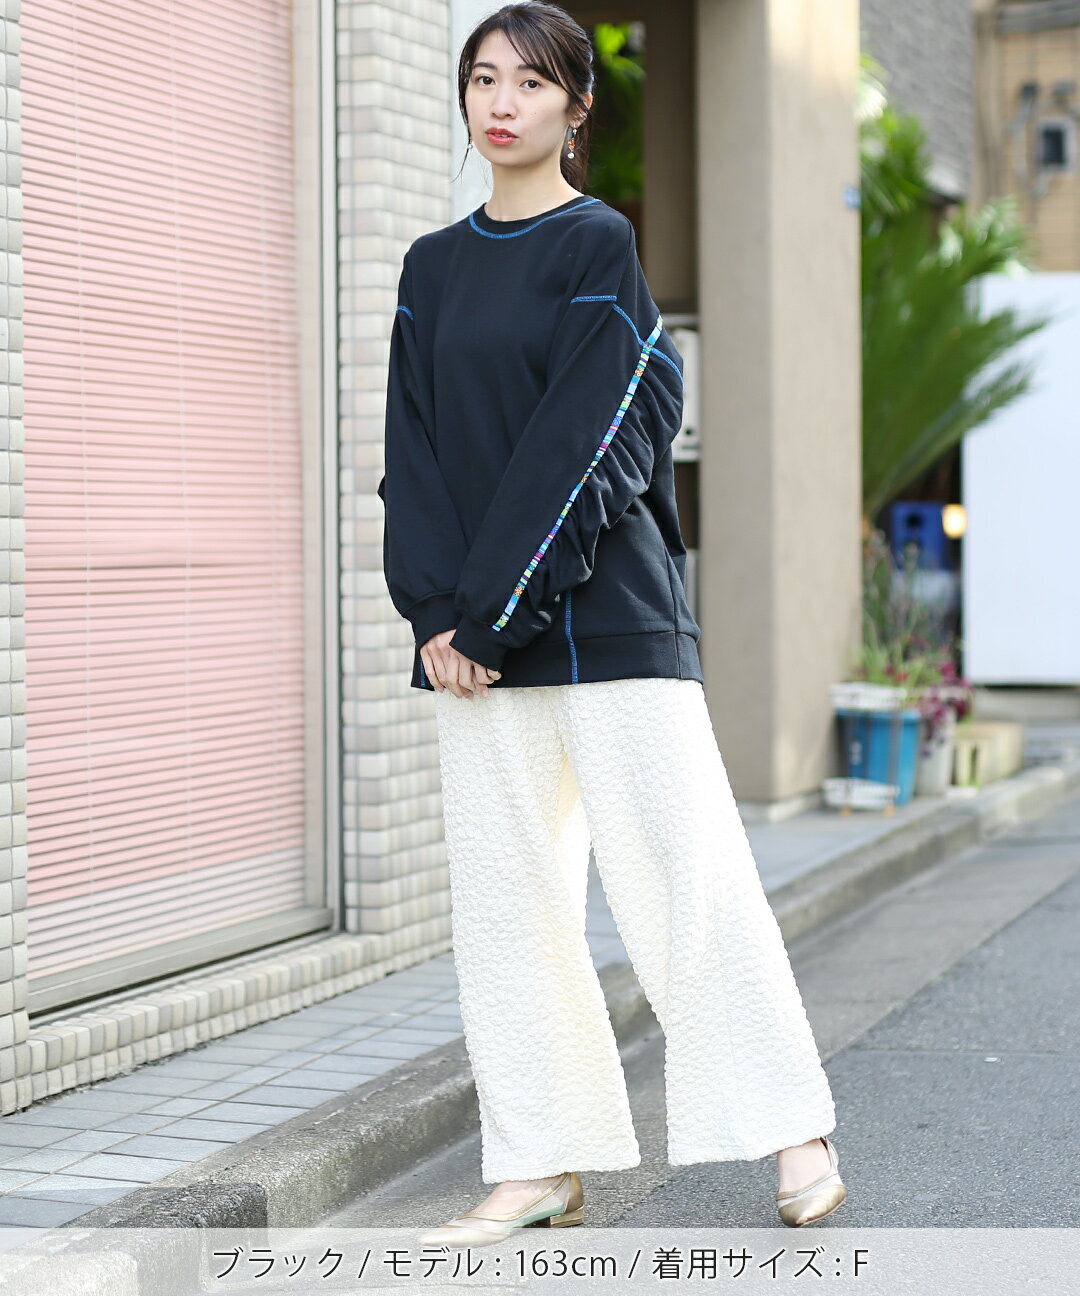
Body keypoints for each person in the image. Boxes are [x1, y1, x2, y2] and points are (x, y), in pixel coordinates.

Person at [377, 2, 847, 1246]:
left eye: (533, 83)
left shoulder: (598, 245)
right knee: (508, 908)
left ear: (577, 108)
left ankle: (793, 1129)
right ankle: (539, 1163)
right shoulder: (431, 268)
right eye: (484, 78)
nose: (503, 102)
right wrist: (435, 612)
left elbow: (585, 445)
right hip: (472, 650)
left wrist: (488, 613)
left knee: (685, 883)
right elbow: (412, 457)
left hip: (612, 629)